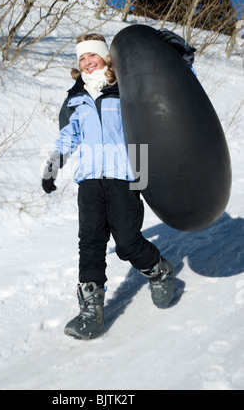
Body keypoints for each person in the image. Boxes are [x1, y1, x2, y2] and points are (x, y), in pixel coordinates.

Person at [42, 33, 174, 340]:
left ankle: (158, 269)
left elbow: (147, 124)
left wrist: (141, 178)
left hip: (123, 176)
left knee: (127, 242)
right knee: (90, 243)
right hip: (89, 180)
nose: (87, 63)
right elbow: (70, 136)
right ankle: (92, 313)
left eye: (92, 56)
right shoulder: (76, 97)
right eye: (82, 59)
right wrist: (52, 167)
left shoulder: (124, 87)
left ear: (105, 56)